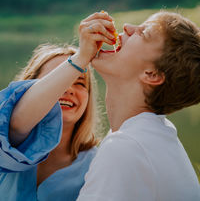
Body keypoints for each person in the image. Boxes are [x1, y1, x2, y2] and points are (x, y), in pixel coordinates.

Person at [77, 11, 200, 201]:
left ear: (152, 74)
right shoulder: (148, 137)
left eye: (143, 33)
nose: (127, 27)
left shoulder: (126, 147)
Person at [0, 11, 117, 201]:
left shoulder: (99, 164)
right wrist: (80, 58)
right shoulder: (7, 140)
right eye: (58, 80)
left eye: (80, 83)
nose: (69, 88)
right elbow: (15, 122)